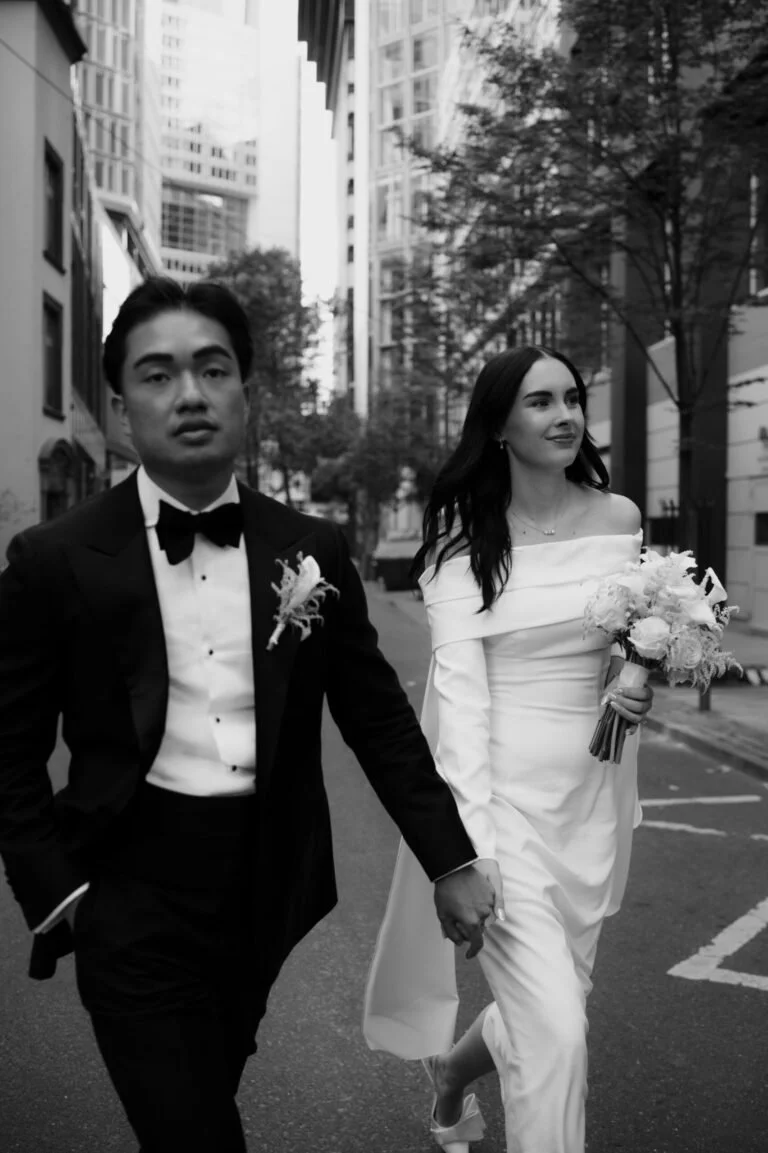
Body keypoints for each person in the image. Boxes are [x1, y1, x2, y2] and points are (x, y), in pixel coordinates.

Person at [0, 277, 498, 1153]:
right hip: (126, 890)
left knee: (201, 1089)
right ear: (120, 411)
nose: (188, 393)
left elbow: (377, 719)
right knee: (192, 1130)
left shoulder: (312, 547)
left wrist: (450, 858)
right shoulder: (53, 559)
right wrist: (60, 893)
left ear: (245, 394)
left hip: (266, 884)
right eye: (158, 376)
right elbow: (6, 747)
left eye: (211, 369)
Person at [363, 346, 655, 1153]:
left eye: (572, 398)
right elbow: (458, 699)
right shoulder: (464, 544)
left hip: (595, 798)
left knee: (552, 1005)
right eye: (540, 402)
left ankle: (451, 1077)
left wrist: (640, 670)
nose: (565, 415)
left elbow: (625, 643)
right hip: (504, 810)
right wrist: (471, 851)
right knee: (557, 1031)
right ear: (498, 426)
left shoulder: (621, 519)